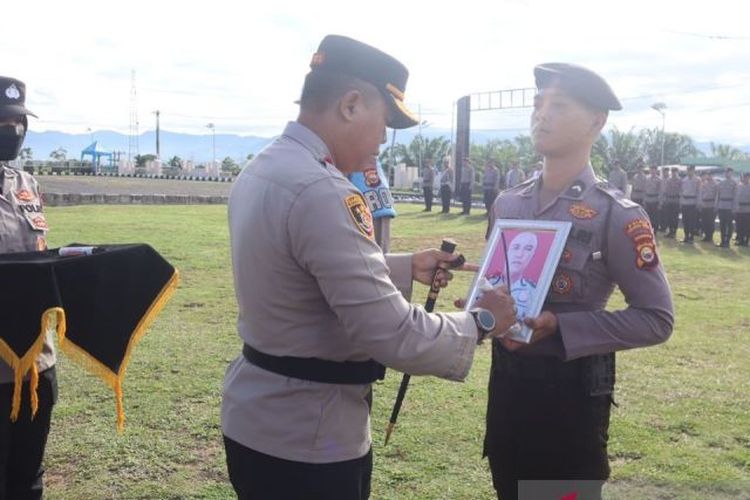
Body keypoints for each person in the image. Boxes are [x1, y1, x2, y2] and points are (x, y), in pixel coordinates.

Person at [221, 34, 518, 500]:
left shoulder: (266, 167)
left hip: (259, 421)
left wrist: (404, 267)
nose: (384, 139)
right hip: (309, 440)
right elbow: (392, 333)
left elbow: (304, 273)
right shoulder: (324, 190)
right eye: (386, 122)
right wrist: (481, 321)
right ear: (351, 104)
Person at [484, 63, 674, 500]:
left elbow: (657, 319)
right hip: (509, 391)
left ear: (597, 121)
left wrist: (561, 326)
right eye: (537, 105)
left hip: (571, 399)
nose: (541, 115)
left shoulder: (616, 214)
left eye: (559, 106)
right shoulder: (508, 203)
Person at [0, 76, 57, 499]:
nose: (14, 131)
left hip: (37, 363)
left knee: (28, 478)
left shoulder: (27, 185)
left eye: (20, 122)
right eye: (4, 123)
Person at [485, 231, 539, 321]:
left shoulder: (532, 291)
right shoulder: (488, 282)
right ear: (507, 250)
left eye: (528, 249)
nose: (519, 254)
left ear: (532, 256)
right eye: (516, 247)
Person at [717, 167, 738, 247]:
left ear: (731, 173)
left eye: (729, 172)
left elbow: (736, 197)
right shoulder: (721, 183)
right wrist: (717, 205)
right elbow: (718, 196)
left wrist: (734, 208)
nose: (727, 174)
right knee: (722, 225)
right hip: (722, 206)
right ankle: (722, 241)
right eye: (726, 172)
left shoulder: (734, 183)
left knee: (729, 225)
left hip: (730, 206)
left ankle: (727, 241)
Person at [679, 165, 700, 243]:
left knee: (692, 221)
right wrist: (681, 202)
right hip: (685, 202)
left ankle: (691, 237)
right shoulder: (684, 180)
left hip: (693, 202)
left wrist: (698, 203)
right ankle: (686, 235)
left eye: (691, 170)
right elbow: (681, 192)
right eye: (688, 170)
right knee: (685, 220)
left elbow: (699, 192)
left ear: (694, 170)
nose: (689, 172)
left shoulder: (697, 180)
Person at [698, 172, 717, 242]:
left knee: (710, 222)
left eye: (710, 175)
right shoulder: (703, 184)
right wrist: (700, 203)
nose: (709, 177)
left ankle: (710, 236)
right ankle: (706, 235)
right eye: (708, 175)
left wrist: (715, 205)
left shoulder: (715, 185)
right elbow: (701, 194)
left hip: (711, 204)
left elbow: (717, 196)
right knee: (704, 221)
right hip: (704, 204)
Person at [662, 167, 681, 238]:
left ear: (677, 172)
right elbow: (666, 191)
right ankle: (670, 230)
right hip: (669, 200)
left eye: (675, 171)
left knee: (675, 217)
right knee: (669, 217)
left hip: (676, 200)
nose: (674, 173)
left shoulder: (679, 180)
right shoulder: (668, 180)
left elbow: (681, 191)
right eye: (672, 172)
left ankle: (674, 231)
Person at [734, 172, 750, 246]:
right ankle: (740, 239)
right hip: (740, 209)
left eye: (747, 177)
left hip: (748, 209)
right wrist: (735, 207)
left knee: (747, 226)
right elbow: (736, 198)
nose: (746, 179)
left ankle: (746, 240)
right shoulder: (739, 186)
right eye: (745, 177)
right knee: (739, 225)